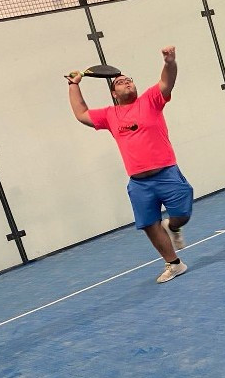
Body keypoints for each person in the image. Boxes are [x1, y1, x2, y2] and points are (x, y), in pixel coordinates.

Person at [67, 46, 193, 283]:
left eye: (129, 80)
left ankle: (174, 227)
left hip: (166, 173)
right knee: (149, 224)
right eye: (120, 82)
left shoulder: (150, 100)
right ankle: (175, 264)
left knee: (181, 215)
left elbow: (167, 83)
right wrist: (74, 85)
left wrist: (169, 62)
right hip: (138, 183)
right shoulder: (109, 115)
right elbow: (81, 113)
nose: (126, 83)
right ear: (114, 93)